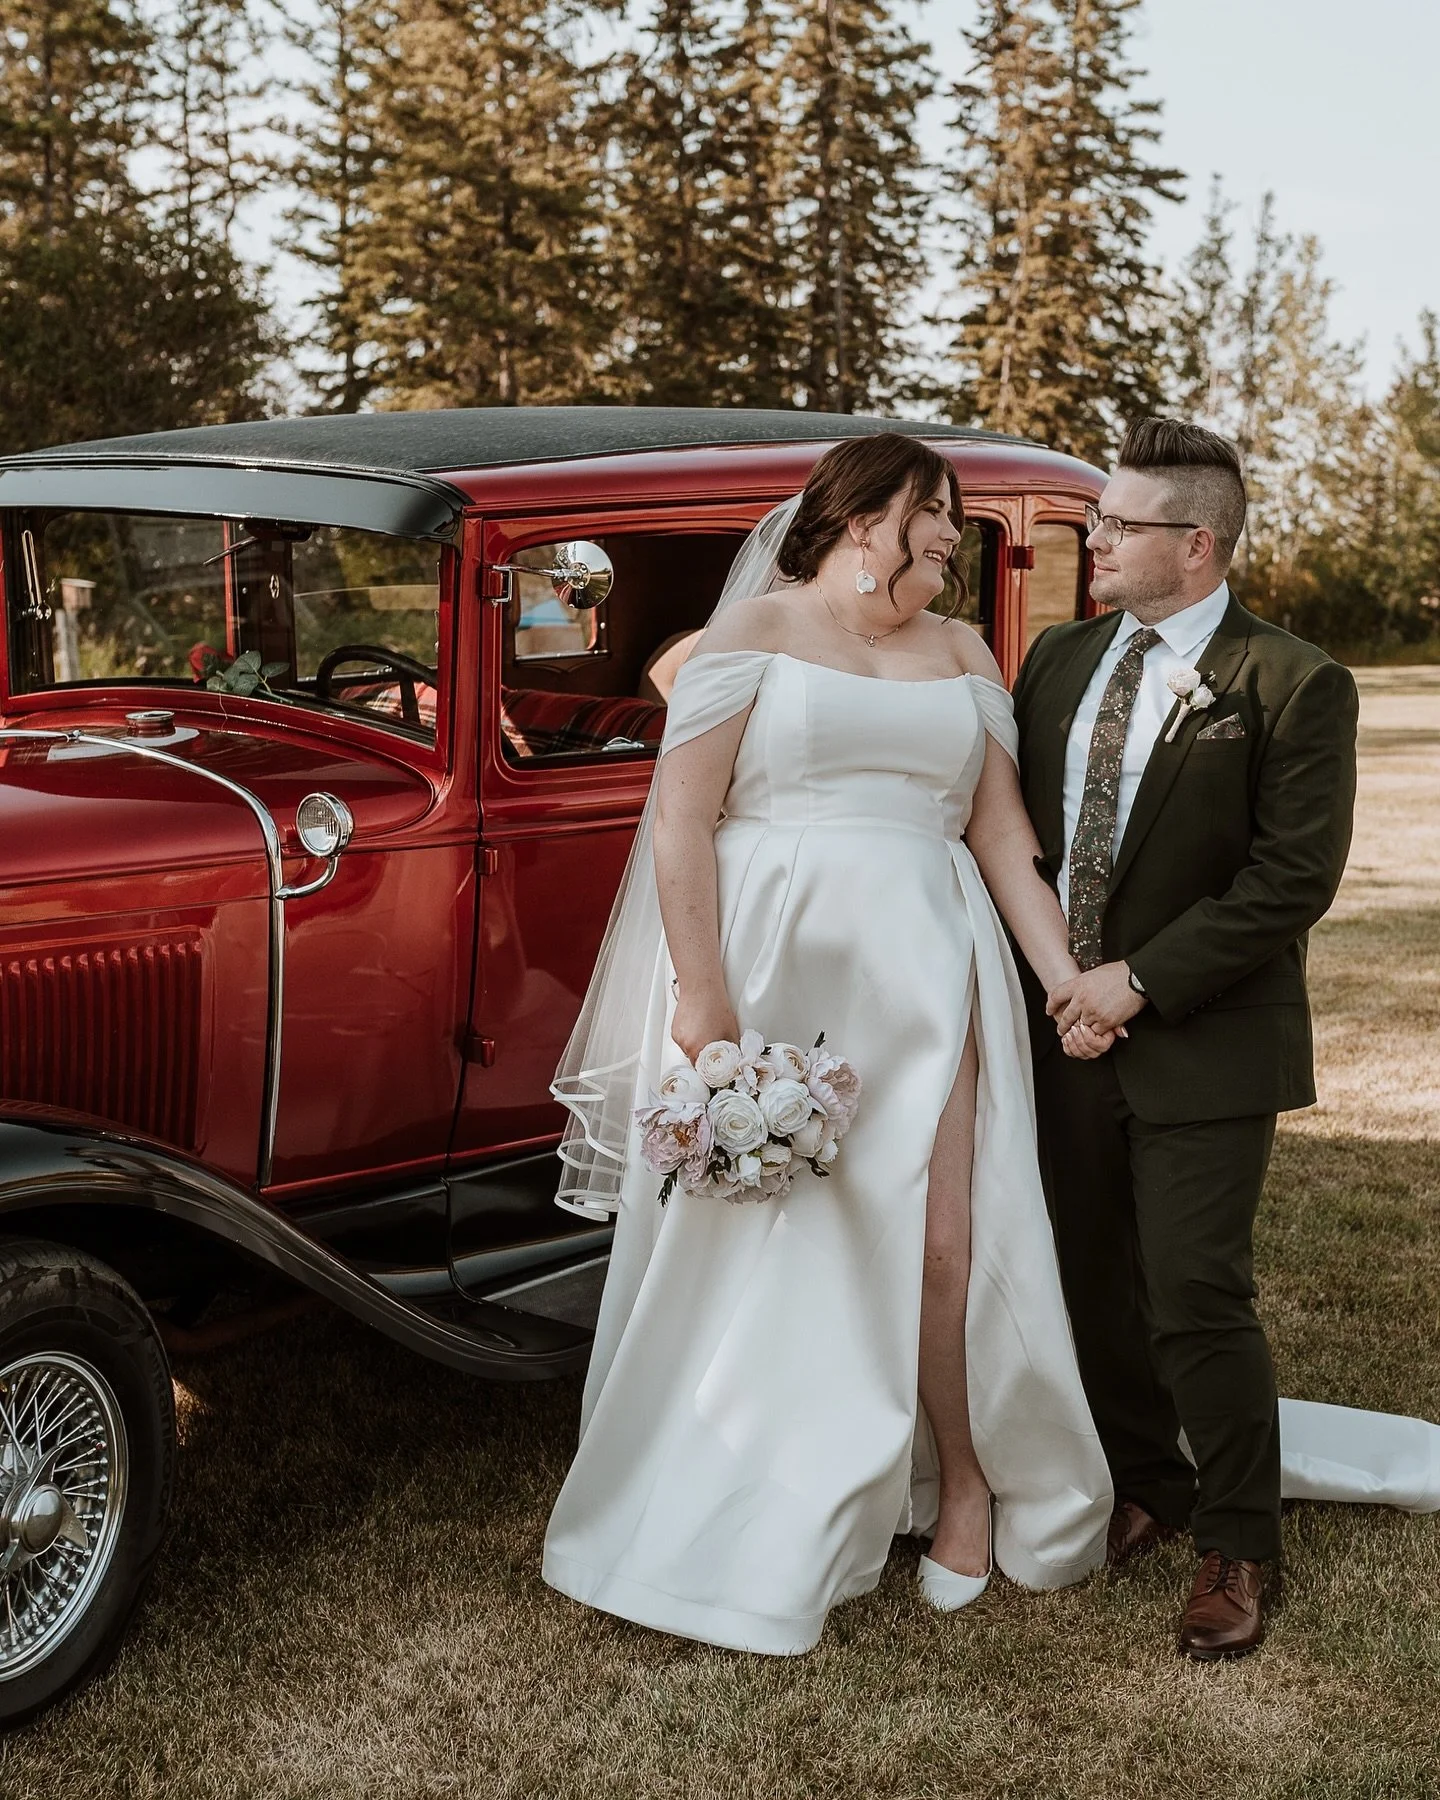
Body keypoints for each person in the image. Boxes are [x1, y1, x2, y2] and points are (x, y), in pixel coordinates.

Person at [542, 429, 1439, 1658]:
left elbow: (1005, 838)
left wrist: (1074, 984)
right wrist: (703, 996)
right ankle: (749, 1475)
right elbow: (680, 819)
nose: (953, 534)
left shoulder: (977, 653)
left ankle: (980, 1486)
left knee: (952, 1244)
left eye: (952, 515)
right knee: (772, 1236)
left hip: (928, 970)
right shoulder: (759, 636)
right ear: (866, 515)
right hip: (772, 962)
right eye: (936, 511)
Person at [1014, 416, 1400, 1658]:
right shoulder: (1057, 659)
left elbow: (1293, 879)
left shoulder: (1292, 680)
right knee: (1089, 1275)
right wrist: (1064, 988)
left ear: (1197, 544)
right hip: (1058, 1027)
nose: (1094, 541)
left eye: (1119, 525)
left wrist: (1135, 982)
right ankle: (1146, 1482)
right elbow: (1021, 834)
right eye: (1098, 520)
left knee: (1193, 1288)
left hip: (1207, 1033)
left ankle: (1238, 1540)